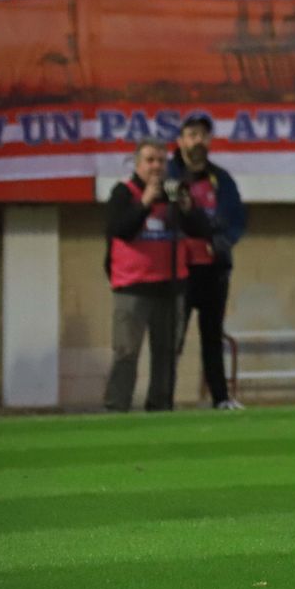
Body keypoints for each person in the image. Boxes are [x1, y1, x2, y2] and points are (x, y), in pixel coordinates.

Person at [104, 139, 212, 412]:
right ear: (138, 164)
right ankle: (117, 408)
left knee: (166, 354)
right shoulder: (123, 192)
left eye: (161, 161)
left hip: (170, 286)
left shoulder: (174, 193)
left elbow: (200, 230)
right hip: (133, 286)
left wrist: (187, 208)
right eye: (150, 160)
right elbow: (121, 229)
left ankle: (160, 407)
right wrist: (144, 203)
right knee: (126, 353)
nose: (156, 166)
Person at [166, 115, 246, 410]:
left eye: (202, 135)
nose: (197, 140)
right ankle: (163, 399)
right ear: (180, 140)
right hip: (180, 270)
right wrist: (201, 224)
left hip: (214, 270)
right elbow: (175, 214)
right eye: (191, 135)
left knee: (212, 337)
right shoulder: (170, 176)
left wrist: (219, 242)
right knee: (174, 338)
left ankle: (221, 399)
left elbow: (236, 219)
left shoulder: (221, 179)